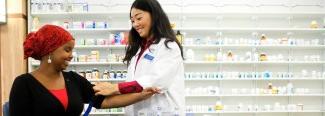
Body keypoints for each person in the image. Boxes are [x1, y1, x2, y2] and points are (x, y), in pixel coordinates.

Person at [9, 24, 159, 116]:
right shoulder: (24, 84)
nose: (71, 56)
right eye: (67, 50)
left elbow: (105, 101)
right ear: (50, 50)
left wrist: (141, 95)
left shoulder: (73, 79)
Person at [93, 0, 185, 115]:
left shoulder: (168, 46)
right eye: (132, 21)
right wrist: (112, 90)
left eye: (139, 18)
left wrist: (116, 88)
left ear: (154, 15)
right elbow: (135, 83)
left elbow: (157, 81)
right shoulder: (139, 50)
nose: (135, 24)